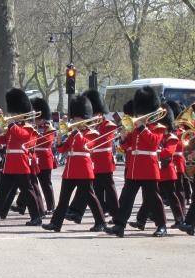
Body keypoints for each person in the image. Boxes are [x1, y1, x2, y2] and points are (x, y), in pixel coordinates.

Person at [105, 86, 167, 237]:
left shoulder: (158, 127)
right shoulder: (134, 126)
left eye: (141, 111)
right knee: (126, 198)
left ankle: (162, 225)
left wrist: (142, 128)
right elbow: (127, 146)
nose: (138, 114)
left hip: (148, 167)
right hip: (134, 167)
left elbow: (153, 143)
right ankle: (119, 225)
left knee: (153, 198)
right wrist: (124, 137)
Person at [41, 95, 106, 233]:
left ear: (85, 118)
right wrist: (59, 141)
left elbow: (86, 146)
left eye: (78, 119)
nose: (75, 121)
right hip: (70, 170)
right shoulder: (72, 134)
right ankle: (55, 224)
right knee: (63, 199)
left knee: (91, 197)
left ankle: (100, 222)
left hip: (83, 170)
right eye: (74, 118)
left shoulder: (92, 133)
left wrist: (77, 133)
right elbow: (62, 149)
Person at [0, 88, 42, 227]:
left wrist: (11, 124)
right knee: (2, 191)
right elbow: (4, 140)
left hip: (21, 164)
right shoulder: (12, 127)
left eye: (14, 113)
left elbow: (23, 137)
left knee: (27, 191)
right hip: (10, 164)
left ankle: (36, 217)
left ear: (21, 114)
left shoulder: (29, 127)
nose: (11, 115)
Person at [129, 102, 184, 230]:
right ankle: (141, 220)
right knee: (150, 197)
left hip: (167, 172)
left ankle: (179, 219)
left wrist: (154, 152)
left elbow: (167, 153)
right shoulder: (156, 133)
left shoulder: (172, 137)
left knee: (171, 196)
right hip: (156, 170)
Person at [66, 90, 119, 222]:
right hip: (92, 161)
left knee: (109, 189)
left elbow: (100, 141)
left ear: (100, 113)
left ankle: (116, 213)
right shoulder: (89, 126)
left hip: (104, 161)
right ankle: (78, 212)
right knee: (90, 190)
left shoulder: (109, 125)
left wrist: (90, 128)